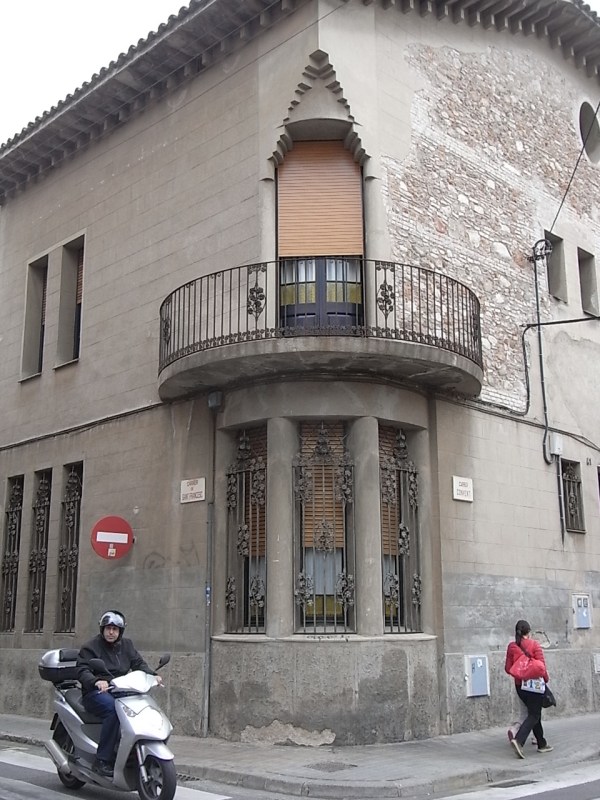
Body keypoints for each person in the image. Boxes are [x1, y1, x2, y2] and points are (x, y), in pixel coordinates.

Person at [76, 610, 161, 778]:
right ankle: (102, 760)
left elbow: (138, 663)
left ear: (120, 631)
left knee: (140, 707)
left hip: (120, 690)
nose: (111, 632)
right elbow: (82, 670)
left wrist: (152, 676)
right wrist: (95, 681)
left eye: (115, 629)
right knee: (113, 711)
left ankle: (130, 750)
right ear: (102, 629)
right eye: (108, 628)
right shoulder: (90, 647)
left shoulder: (127, 645)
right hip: (96, 693)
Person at [504, 619, 553, 758]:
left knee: (533, 712)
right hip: (535, 687)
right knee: (534, 715)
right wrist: (546, 681)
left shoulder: (512, 646)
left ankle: (542, 743)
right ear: (529, 632)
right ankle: (518, 741)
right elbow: (542, 668)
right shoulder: (534, 645)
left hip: (520, 686)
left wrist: (521, 672)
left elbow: (508, 668)